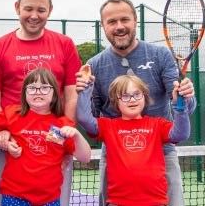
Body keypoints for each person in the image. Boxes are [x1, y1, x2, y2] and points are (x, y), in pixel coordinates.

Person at [74, 0, 197, 206]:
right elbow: (90, 117)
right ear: (103, 26)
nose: (119, 26)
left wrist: (186, 97)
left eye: (125, 20)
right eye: (112, 22)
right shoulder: (94, 65)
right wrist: (83, 93)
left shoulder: (160, 55)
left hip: (163, 155)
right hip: (115, 161)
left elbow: (181, 106)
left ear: (135, 21)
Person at [0, 0, 81, 205]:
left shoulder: (65, 44)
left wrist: (67, 136)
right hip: (11, 143)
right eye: (28, 9)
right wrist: (5, 131)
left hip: (53, 143)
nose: (34, 15)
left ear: (50, 11)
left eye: (41, 10)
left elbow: (72, 94)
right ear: (17, 8)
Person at [77, 73, 193, 205]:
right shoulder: (108, 126)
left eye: (137, 94)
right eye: (125, 96)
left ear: (144, 97)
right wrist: (86, 90)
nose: (132, 100)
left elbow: (181, 134)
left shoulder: (157, 125)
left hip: (155, 202)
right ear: (116, 100)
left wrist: (180, 106)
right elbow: (84, 119)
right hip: (118, 202)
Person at [0, 68, 91, 206]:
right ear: (24, 93)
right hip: (14, 196)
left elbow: (85, 157)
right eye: (32, 88)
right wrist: (3, 143)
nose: (38, 92)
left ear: (54, 94)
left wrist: (77, 135)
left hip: (49, 199)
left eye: (45, 88)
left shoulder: (62, 124)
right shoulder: (11, 114)